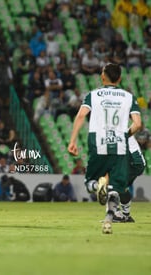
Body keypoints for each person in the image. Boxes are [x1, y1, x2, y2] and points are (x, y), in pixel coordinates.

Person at [68, 63, 142, 234]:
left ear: (103, 76)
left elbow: (80, 116)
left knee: (89, 182)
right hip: (120, 146)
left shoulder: (93, 95)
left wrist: (72, 140)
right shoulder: (129, 97)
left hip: (98, 142)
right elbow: (137, 124)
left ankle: (97, 187)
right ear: (120, 78)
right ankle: (108, 221)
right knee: (116, 187)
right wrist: (124, 135)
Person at [113, 136, 146, 222]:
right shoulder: (120, 130)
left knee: (111, 182)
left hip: (133, 161)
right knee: (122, 188)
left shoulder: (116, 132)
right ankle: (126, 216)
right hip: (138, 163)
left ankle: (115, 214)